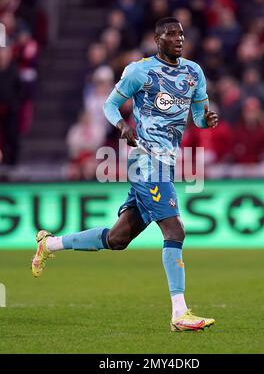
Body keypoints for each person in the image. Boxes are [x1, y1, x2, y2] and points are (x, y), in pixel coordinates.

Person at [31, 17, 219, 332]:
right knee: (175, 230)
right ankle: (179, 312)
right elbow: (110, 104)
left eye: (182, 34)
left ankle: (49, 244)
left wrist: (206, 120)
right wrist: (121, 125)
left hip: (167, 162)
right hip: (146, 162)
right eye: (171, 34)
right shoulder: (139, 71)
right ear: (157, 39)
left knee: (117, 239)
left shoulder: (193, 72)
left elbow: (198, 117)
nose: (179, 39)